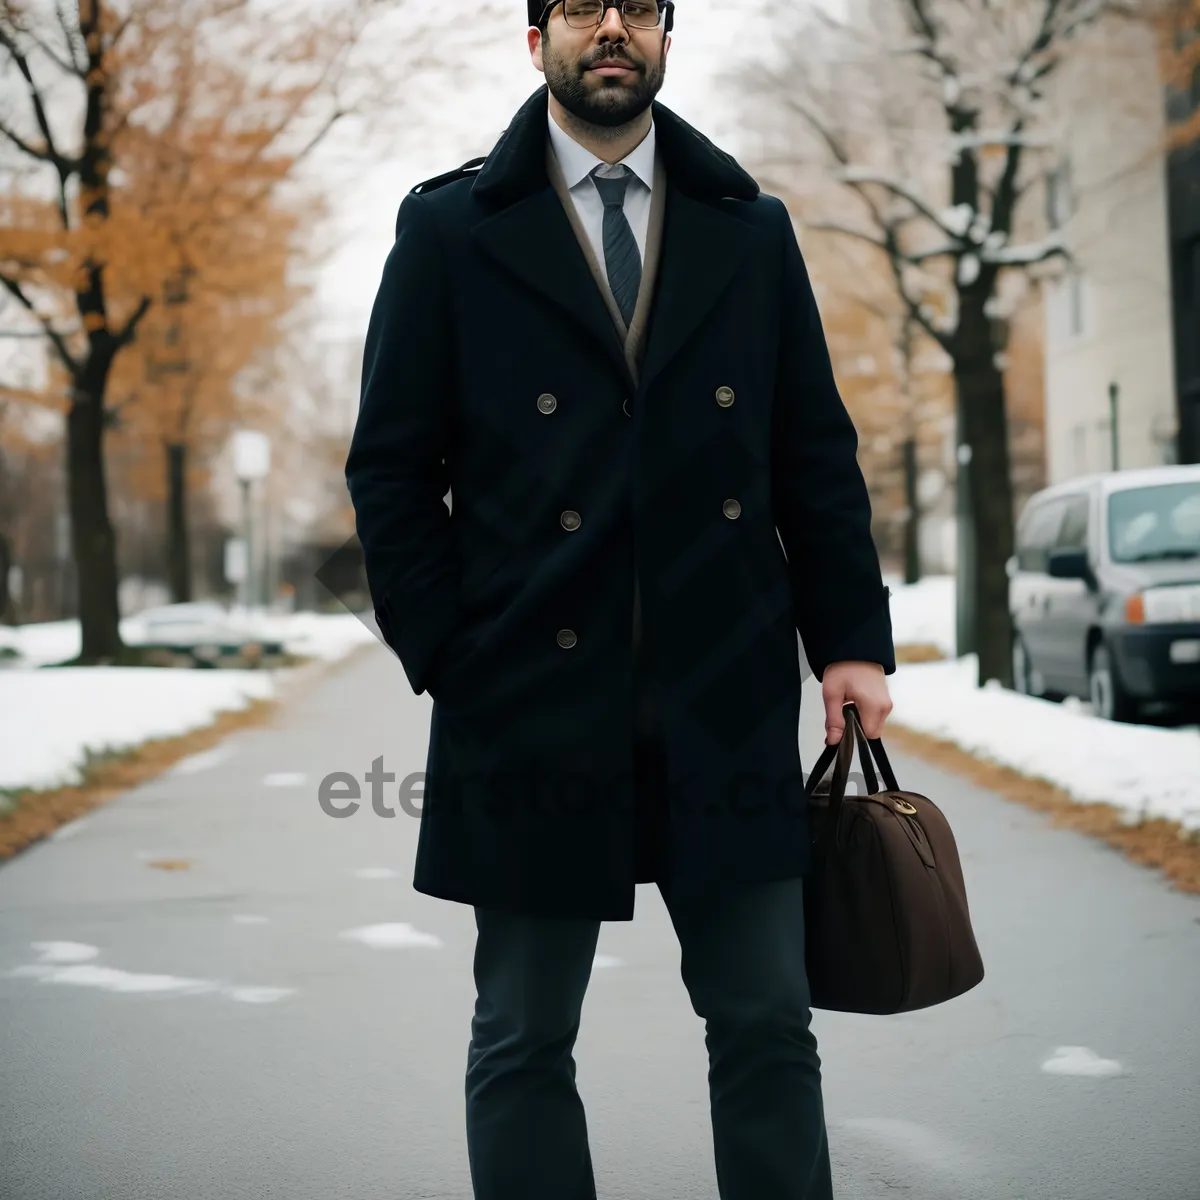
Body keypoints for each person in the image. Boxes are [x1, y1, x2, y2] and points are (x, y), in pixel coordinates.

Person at [345, 2, 896, 1196]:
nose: (612, 29)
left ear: (663, 34)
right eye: (583, 7)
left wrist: (849, 640)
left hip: (725, 685)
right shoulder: (448, 230)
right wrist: (450, 651)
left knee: (764, 1021)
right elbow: (389, 468)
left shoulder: (749, 228)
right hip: (530, 698)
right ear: (533, 34)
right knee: (525, 1038)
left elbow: (814, 448)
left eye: (638, 7)